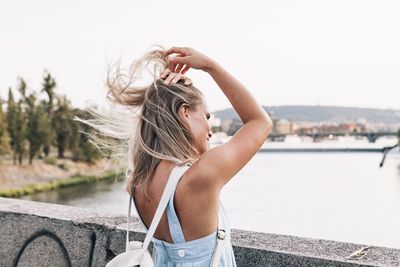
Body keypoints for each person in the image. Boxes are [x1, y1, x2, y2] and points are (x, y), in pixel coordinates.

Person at [78, 46, 273, 266]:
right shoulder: (199, 177)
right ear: (185, 112)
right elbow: (260, 122)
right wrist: (210, 66)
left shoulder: (140, 182)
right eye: (205, 116)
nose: (210, 130)